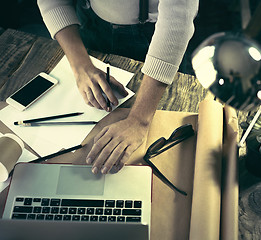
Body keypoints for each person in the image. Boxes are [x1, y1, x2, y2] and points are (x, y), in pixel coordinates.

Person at [37, 0, 199, 174]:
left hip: (154, 37)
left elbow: (177, 22)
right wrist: (81, 66)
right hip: (90, 24)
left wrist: (139, 120)